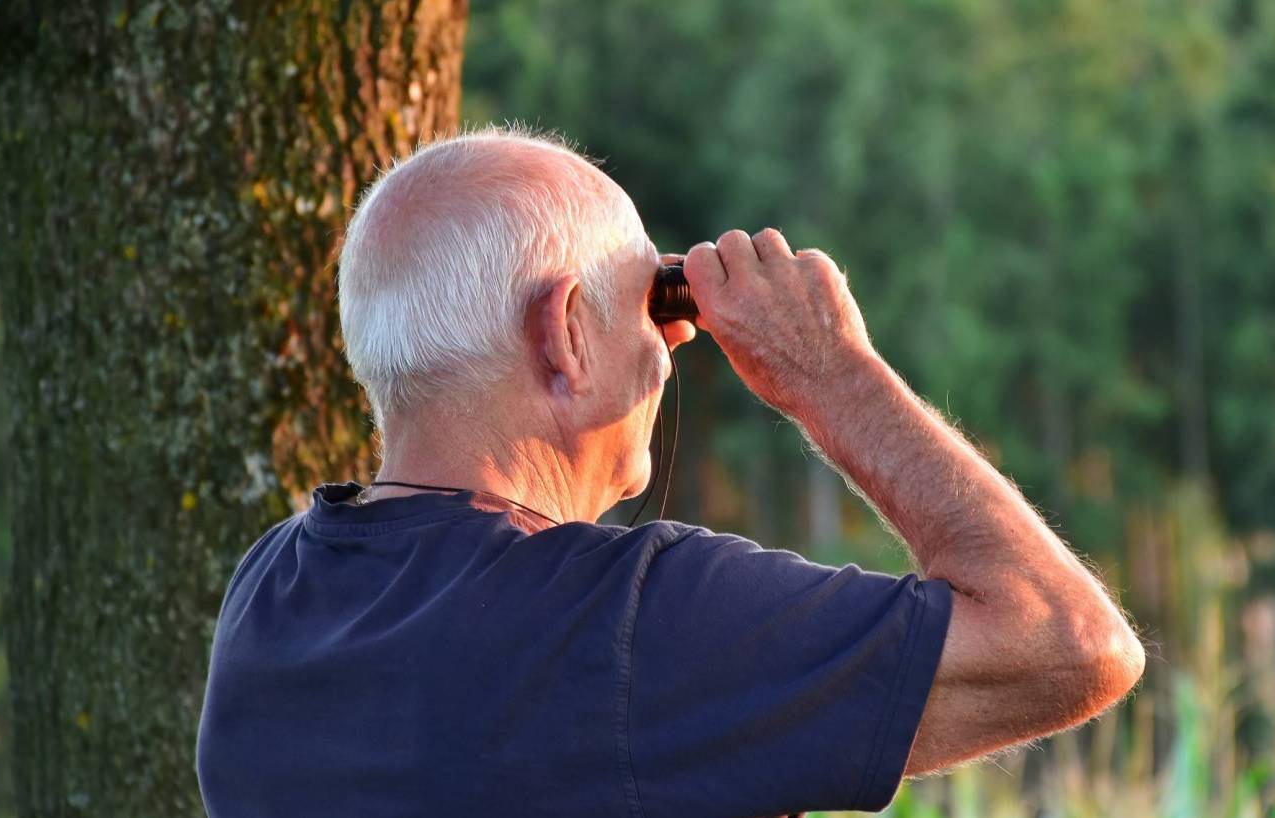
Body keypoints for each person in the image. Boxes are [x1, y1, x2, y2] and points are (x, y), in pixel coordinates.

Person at [195, 126, 1145, 818]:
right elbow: (1068, 644)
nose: (667, 351)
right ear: (565, 334)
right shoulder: (636, 627)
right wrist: (831, 374)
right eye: (648, 306)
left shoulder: (269, 601)